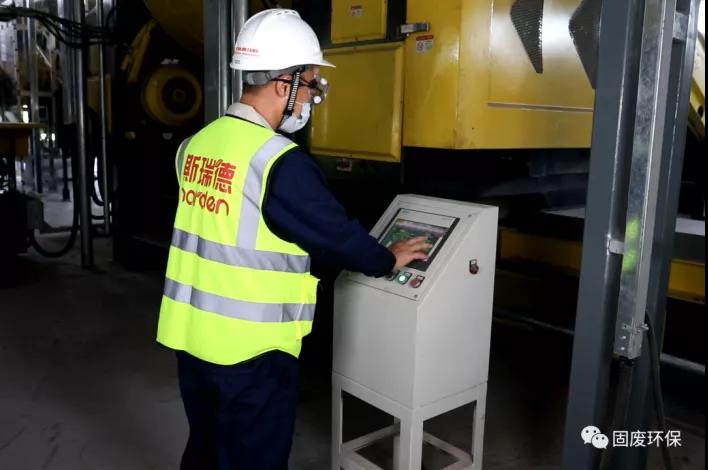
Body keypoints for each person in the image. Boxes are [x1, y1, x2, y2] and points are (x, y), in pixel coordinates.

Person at [156, 8, 431, 470]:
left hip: (193, 341)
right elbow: (336, 235)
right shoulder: (278, 162)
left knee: (205, 449)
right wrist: (387, 258)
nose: (310, 97)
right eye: (309, 85)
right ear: (283, 84)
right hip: (252, 351)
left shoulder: (196, 144)